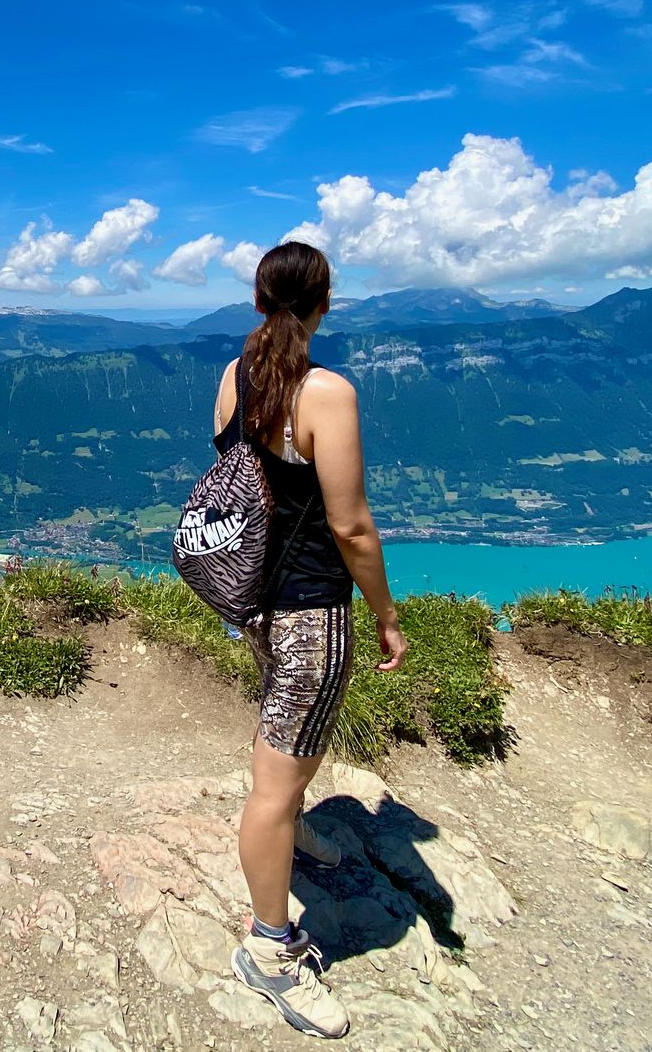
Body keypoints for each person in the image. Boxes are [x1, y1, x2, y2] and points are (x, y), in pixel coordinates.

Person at [212, 240, 408, 1039]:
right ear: (324, 303)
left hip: (253, 604)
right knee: (275, 779)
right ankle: (270, 947)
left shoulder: (233, 377)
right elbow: (351, 525)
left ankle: (291, 824)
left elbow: (237, 481)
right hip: (310, 614)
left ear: (260, 301)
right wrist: (387, 613)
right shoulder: (326, 393)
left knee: (290, 736)